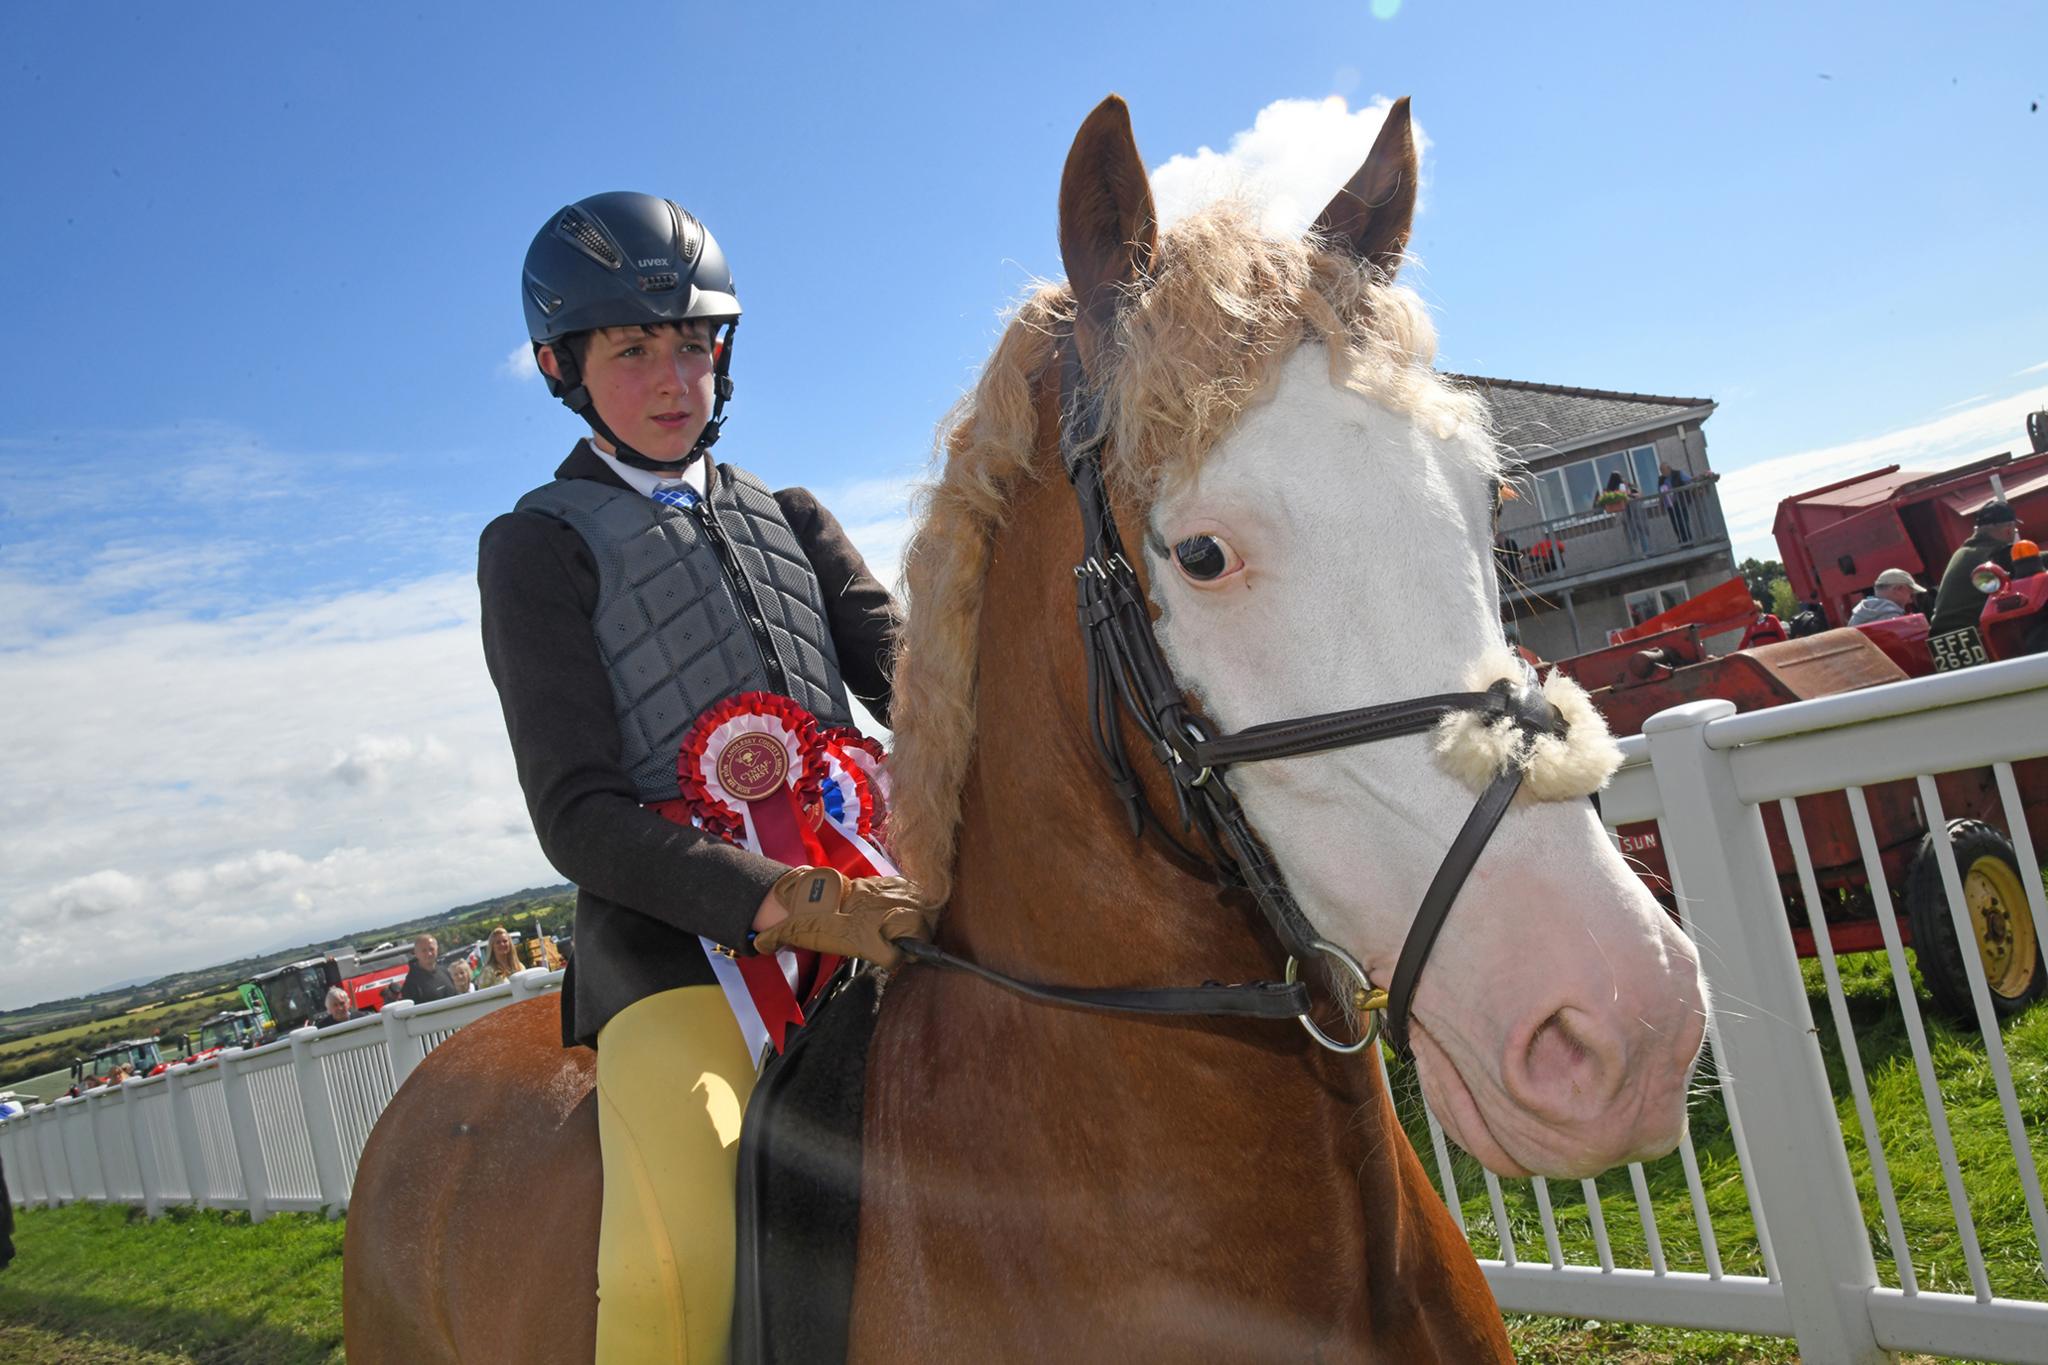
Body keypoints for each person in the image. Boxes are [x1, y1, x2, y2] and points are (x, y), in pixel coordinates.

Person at [478, 191, 927, 1363]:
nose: (676, 377)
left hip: (879, 917)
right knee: (670, 1266)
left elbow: (934, 701)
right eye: (633, 349)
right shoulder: (536, 546)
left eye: (694, 344)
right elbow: (574, 814)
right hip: (675, 957)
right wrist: (780, 900)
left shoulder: (794, 518)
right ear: (558, 366)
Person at [1929, 502, 2024, 637]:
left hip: (1941, 636)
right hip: (1974, 632)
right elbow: (2031, 561)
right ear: (2009, 529)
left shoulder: (1961, 553)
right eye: (2014, 529)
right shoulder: (1997, 553)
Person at [1848, 567, 1926, 626]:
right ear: (1898, 589)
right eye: (1910, 595)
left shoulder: (1857, 615)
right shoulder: (1891, 616)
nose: (1910, 601)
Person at [399, 934, 457, 1005]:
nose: (429, 953)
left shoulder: (445, 971)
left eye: (431, 949)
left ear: (437, 949)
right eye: (424, 950)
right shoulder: (411, 984)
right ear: (416, 953)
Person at [1657, 461, 1693, 543]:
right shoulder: (1661, 480)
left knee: (1683, 522)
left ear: (1669, 468)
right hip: (1670, 505)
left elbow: (1690, 480)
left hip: (1680, 502)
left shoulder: (1678, 474)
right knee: (1675, 524)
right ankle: (1681, 540)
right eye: (1661, 471)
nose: (1662, 472)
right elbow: (1660, 494)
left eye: (1663, 470)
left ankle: (1688, 540)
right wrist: (1660, 505)